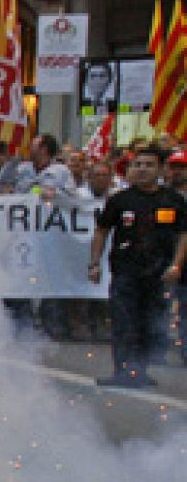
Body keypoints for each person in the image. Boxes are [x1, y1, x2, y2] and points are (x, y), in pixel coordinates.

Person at [89, 145, 187, 388]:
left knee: (150, 323)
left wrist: (176, 264)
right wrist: (94, 263)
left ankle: (140, 370)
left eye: (148, 165)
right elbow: (102, 231)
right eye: (137, 165)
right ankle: (122, 370)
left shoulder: (173, 200)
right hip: (126, 271)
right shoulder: (120, 200)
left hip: (158, 273)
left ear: (161, 169)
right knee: (124, 321)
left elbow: (183, 234)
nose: (142, 170)